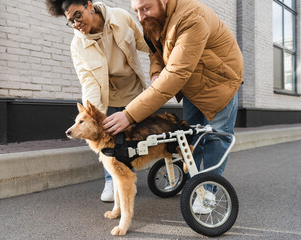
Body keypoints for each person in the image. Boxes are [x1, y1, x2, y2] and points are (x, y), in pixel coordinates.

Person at [103, 0, 243, 213]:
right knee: (189, 136)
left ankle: (208, 191)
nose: (140, 17)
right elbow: (155, 52)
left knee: (216, 137)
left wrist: (129, 115)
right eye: (137, 11)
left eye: (145, 8)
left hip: (219, 82)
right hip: (193, 83)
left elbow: (176, 74)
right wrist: (156, 72)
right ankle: (193, 182)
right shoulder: (154, 19)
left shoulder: (191, 17)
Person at [45, 0, 149, 202]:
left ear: (89, 5)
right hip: (105, 97)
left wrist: (163, 59)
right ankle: (111, 179)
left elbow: (144, 42)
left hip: (132, 91)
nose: (76, 23)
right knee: (108, 140)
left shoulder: (120, 17)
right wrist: (93, 114)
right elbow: (88, 80)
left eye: (78, 15)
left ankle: (128, 178)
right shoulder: (78, 45)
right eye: (70, 21)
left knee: (133, 139)